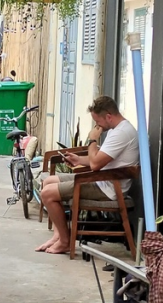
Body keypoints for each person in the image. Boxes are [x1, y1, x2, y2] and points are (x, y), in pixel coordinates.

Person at [36, 96, 140, 254]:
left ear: (108, 116)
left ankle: (65, 241)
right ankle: (59, 235)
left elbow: (96, 164)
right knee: (48, 181)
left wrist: (92, 140)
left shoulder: (122, 133)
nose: (96, 126)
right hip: (101, 180)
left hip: (108, 188)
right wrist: (78, 159)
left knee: (47, 194)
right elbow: (99, 159)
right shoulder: (117, 130)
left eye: (98, 122)